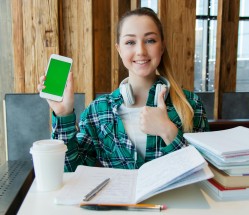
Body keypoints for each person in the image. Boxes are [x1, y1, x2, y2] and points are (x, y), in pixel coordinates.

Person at [38, 7, 209, 172]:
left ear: (162, 47)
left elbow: (205, 172)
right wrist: (63, 114)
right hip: (120, 202)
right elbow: (69, 169)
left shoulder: (190, 105)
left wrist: (168, 131)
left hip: (176, 202)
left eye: (150, 40)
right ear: (119, 49)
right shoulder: (98, 111)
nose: (140, 51)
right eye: (130, 42)